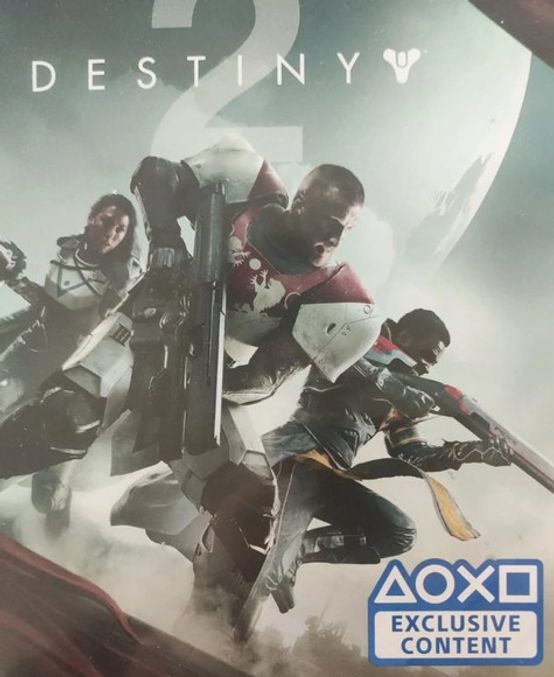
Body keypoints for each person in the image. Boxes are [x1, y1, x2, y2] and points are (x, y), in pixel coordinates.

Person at [0, 134, 430, 595]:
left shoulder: (336, 295)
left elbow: (267, 375)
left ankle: (207, 618)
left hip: (214, 375)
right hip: (149, 329)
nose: (335, 238)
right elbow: (155, 173)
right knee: (66, 415)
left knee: (250, 503)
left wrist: (200, 386)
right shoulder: (249, 184)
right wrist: (166, 238)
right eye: (328, 223)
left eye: (345, 229)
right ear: (300, 202)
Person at [257, 308, 512, 614]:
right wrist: (396, 388)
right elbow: (344, 359)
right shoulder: (360, 341)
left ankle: (300, 551)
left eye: (433, 362)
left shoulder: (402, 393)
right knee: (270, 568)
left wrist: (474, 452)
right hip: (296, 458)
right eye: (425, 355)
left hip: (330, 477)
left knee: (400, 532)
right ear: (404, 336)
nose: (426, 367)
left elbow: (412, 453)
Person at [0, 193, 141, 533]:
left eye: (120, 230)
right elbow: (48, 305)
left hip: (70, 376)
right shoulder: (67, 250)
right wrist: (12, 275)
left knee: (47, 493)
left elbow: (99, 326)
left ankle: (58, 516)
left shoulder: (120, 278)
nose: (110, 233)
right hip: (30, 356)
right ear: (91, 217)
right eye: (106, 221)